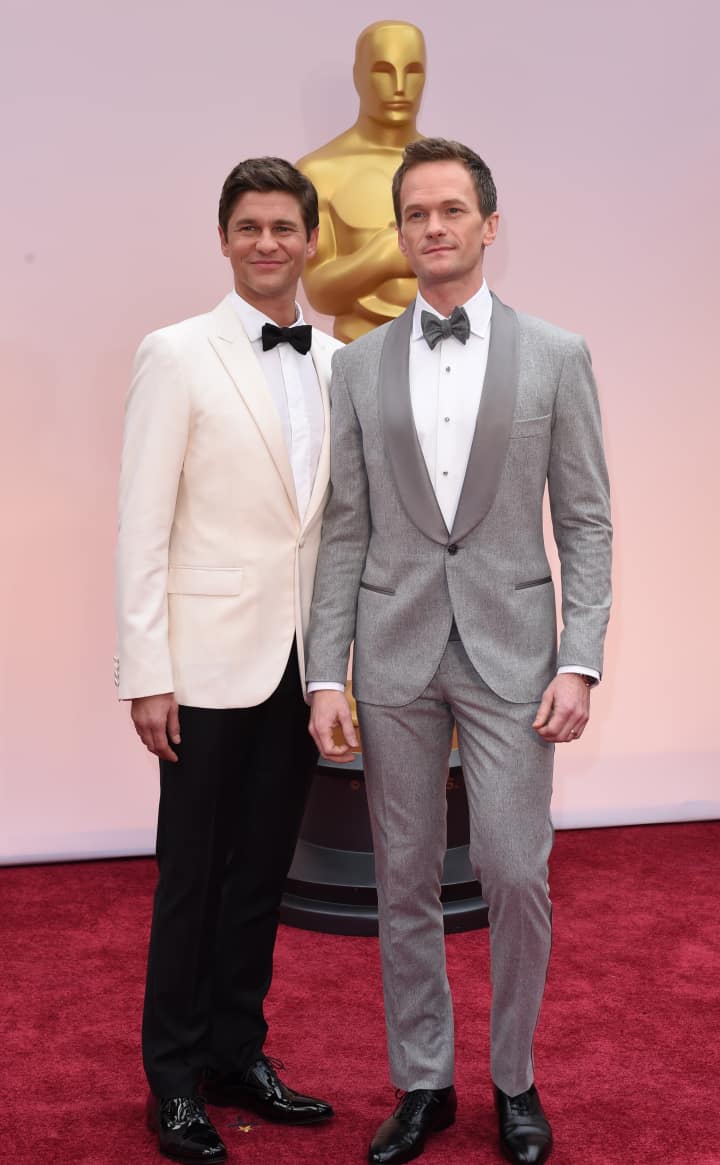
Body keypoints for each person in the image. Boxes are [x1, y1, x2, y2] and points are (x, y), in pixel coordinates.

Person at [307, 138, 612, 1165]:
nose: (432, 227)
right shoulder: (356, 366)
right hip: (392, 650)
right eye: (415, 214)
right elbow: (344, 526)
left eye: (450, 210)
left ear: (489, 224)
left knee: (514, 869)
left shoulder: (558, 355)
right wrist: (326, 670)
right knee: (403, 878)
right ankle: (424, 1080)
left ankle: (514, 1077)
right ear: (400, 234)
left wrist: (580, 657)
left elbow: (586, 521)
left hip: (514, 654)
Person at [115, 156, 340, 1163]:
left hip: (298, 665)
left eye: (284, 226)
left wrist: (336, 666)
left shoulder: (338, 362)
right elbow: (141, 521)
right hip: (201, 665)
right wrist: (146, 671)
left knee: (261, 876)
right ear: (223, 238)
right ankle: (171, 1080)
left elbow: (330, 529)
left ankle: (235, 1052)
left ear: (311, 240)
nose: (267, 243)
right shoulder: (175, 353)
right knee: (192, 877)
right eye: (249, 226)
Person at [297, 20, 426, 341]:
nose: (400, 86)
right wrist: (381, 257)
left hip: (447, 356)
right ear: (358, 76)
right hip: (355, 353)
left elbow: (467, 279)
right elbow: (319, 293)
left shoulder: (452, 169)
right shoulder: (319, 171)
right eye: (383, 71)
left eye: (413, 71)